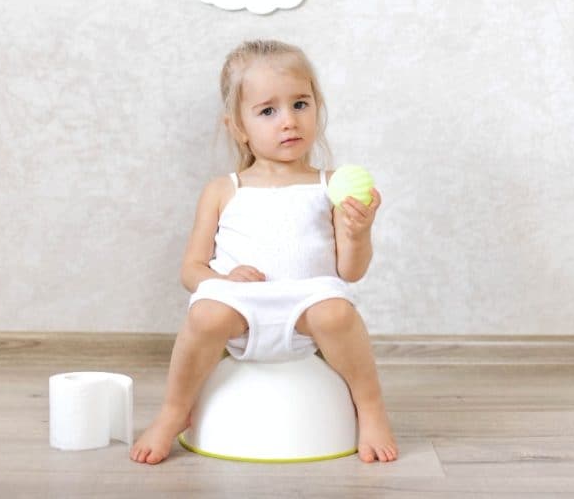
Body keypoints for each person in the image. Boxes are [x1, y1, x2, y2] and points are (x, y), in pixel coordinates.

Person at [130, 39, 397, 465]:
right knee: (205, 314)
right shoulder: (223, 190)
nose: (288, 121)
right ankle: (174, 410)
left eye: (301, 104)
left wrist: (360, 232)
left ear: (317, 107)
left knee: (338, 312)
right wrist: (223, 281)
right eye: (268, 111)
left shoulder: (329, 184)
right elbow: (191, 269)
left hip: (307, 307)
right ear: (238, 126)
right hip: (242, 308)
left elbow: (349, 272)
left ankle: (370, 408)